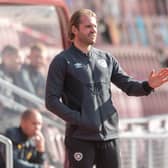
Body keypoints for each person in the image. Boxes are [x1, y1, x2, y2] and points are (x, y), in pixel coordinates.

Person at [45, 9, 168, 168]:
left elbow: (128, 86)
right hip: (80, 137)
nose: (94, 30)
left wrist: (148, 85)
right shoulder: (62, 61)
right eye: (88, 26)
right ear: (74, 29)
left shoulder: (106, 58)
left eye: (95, 26)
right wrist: (79, 119)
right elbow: (51, 101)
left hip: (109, 136)